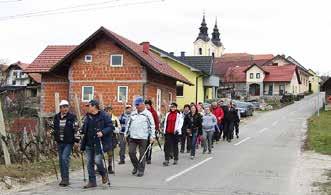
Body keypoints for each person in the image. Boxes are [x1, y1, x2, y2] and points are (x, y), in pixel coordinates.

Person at [80, 100, 114, 189]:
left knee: (98, 161)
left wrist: (103, 132)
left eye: (89, 106)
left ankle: (103, 173)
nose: (88, 107)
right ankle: (92, 182)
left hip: (99, 143)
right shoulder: (87, 116)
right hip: (88, 142)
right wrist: (81, 130)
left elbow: (111, 127)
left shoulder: (104, 116)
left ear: (94, 106)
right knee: (89, 163)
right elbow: (85, 127)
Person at [125, 96, 155, 177]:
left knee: (142, 155)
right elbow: (129, 123)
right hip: (133, 137)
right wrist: (126, 133)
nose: (136, 106)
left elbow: (152, 125)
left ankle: (141, 170)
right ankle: (136, 166)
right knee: (131, 152)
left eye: (138, 104)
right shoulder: (133, 113)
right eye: (136, 105)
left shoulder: (148, 114)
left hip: (143, 137)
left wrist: (152, 136)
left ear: (142, 104)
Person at [53, 100, 77, 187]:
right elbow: (54, 128)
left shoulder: (72, 117)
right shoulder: (56, 117)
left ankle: (66, 179)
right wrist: (53, 136)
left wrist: (77, 141)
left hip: (69, 142)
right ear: (60, 108)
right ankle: (63, 178)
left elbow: (76, 129)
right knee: (61, 161)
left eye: (66, 106)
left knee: (64, 158)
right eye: (63, 107)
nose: (65, 108)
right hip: (60, 141)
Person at [104, 105, 121, 174]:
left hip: (112, 137)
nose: (108, 112)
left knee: (110, 153)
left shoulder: (115, 119)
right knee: (100, 152)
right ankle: (100, 167)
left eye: (109, 111)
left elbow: (119, 129)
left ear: (111, 111)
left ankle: (110, 167)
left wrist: (113, 128)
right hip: (104, 137)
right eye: (106, 111)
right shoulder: (103, 118)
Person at [144, 100, 160, 164]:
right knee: (145, 145)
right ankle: (145, 156)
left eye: (147, 105)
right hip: (145, 131)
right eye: (145, 105)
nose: (146, 106)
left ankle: (149, 158)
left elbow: (157, 122)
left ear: (150, 105)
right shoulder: (144, 112)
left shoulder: (153, 112)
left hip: (152, 131)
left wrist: (156, 130)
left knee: (150, 145)